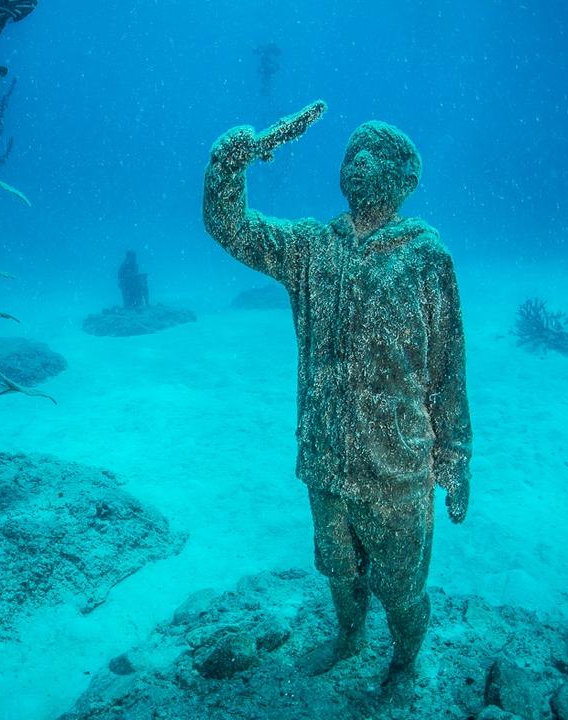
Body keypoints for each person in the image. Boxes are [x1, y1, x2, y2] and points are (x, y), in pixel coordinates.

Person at [202, 110, 472, 685]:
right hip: (325, 457)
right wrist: (229, 164)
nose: (360, 161)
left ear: (405, 179)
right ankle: (349, 638)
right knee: (339, 569)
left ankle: (404, 662)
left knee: (401, 586)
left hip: (398, 465)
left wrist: (455, 457)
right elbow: (233, 228)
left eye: (377, 154)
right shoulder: (312, 248)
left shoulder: (426, 258)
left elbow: (448, 368)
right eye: (352, 152)